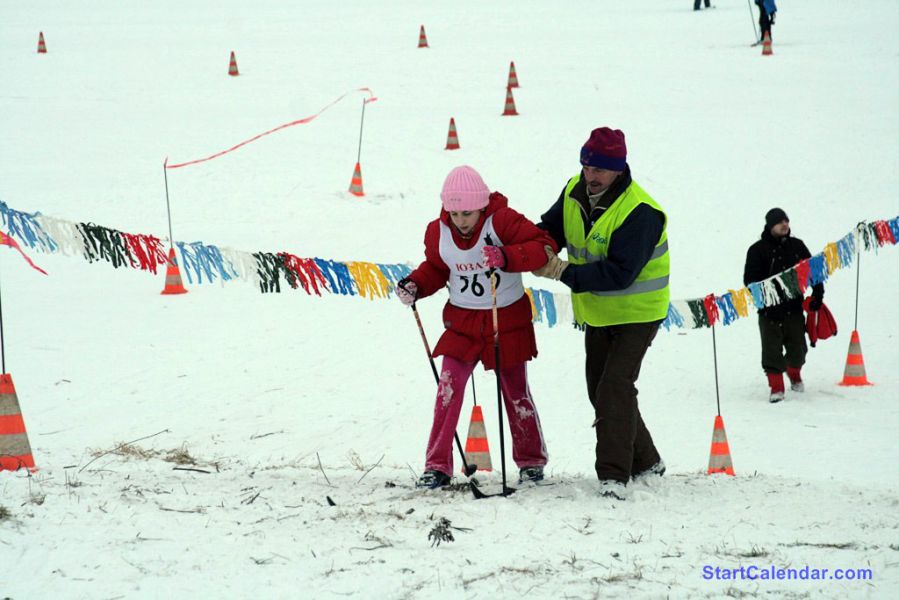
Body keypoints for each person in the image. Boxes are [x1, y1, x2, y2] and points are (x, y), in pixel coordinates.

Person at [533, 127, 669, 501]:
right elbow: (551, 229)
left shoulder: (641, 212)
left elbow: (620, 273)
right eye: (587, 165)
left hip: (638, 313)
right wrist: (534, 248)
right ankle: (647, 461)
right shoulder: (574, 190)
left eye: (600, 169)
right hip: (598, 312)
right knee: (602, 389)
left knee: (614, 388)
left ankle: (613, 476)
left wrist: (561, 271)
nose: (591, 175)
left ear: (619, 169)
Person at [396, 165, 552, 489]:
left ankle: (531, 461)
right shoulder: (437, 231)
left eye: (467, 212)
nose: (461, 220)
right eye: (454, 213)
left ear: (481, 205)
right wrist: (416, 285)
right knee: (448, 390)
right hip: (463, 323)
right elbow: (437, 268)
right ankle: (437, 464)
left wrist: (507, 256)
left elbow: (541, 247)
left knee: (516, 392)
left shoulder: (503, 221)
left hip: (504, 320)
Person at [743, 208, 824, 403]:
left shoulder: (797, 246)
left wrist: (818, 293)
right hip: (769, 313)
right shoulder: (757, 250)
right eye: (780, 222)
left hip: (794, 309)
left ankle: (794, 372)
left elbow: (813, 270)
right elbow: (749, 280)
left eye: (786, 221)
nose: (784, 224)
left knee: (799, 350)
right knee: (771, 352)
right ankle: (777, 388)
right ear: (771, 226)